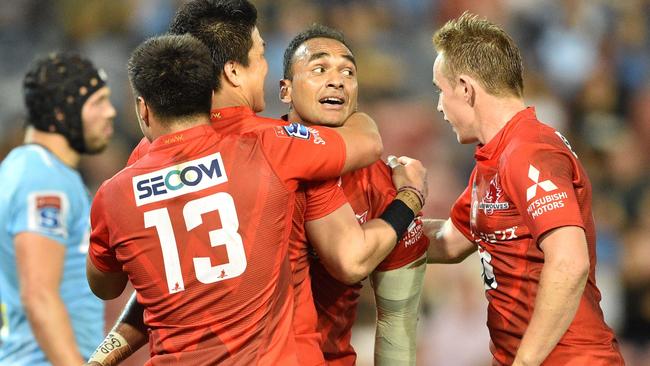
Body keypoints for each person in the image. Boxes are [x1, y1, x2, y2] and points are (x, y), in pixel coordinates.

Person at [85, 2, 426, 364]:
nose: (265, 64)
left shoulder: (138, 163)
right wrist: (410, 196)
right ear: (233, 71)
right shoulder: (279, 147)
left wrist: (101, 357)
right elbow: (351, 256)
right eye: (261, 54)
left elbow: (164, 282)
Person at [425, 12, 625, 365]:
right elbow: (448, 241)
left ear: (466, 88)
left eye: (441, 91)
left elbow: (569, 263)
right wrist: (373, 228)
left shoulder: (529, 150)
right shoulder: (496, 158)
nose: (440, 106)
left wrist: (524, 362)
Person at [279, 24, 429, 366]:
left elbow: (396, 321)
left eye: (348, 72)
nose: (337, 80)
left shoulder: (380, 182)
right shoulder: (257, 156)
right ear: (285, 91)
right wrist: (411, 197)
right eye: (319, 69)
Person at [0, 52, 114, 365]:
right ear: (65, 112)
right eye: (99, 102)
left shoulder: (28, 168)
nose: (111, 112)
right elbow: (38, 295)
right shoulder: (44, 179)